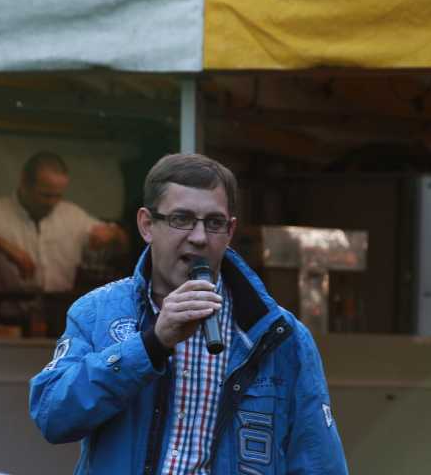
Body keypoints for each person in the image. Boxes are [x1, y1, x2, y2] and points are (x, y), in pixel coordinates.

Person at [29, 153, 348, 474]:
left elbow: (320, 463)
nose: (198, 238)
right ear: (147, 225)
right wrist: (150, 345)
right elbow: (52, 416)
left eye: (214, 223)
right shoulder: (97, 311)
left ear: (230, 230)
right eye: (181, 219)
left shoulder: (278, 335)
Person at [0, 151, 128, 300]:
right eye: (45, 195)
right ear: (24, 183)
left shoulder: (73, 215)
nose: (52, 202)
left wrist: (112, 234)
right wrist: (5, 247)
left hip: (57, 314)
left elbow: (123, 243)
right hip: (1, 316)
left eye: (58, 195)